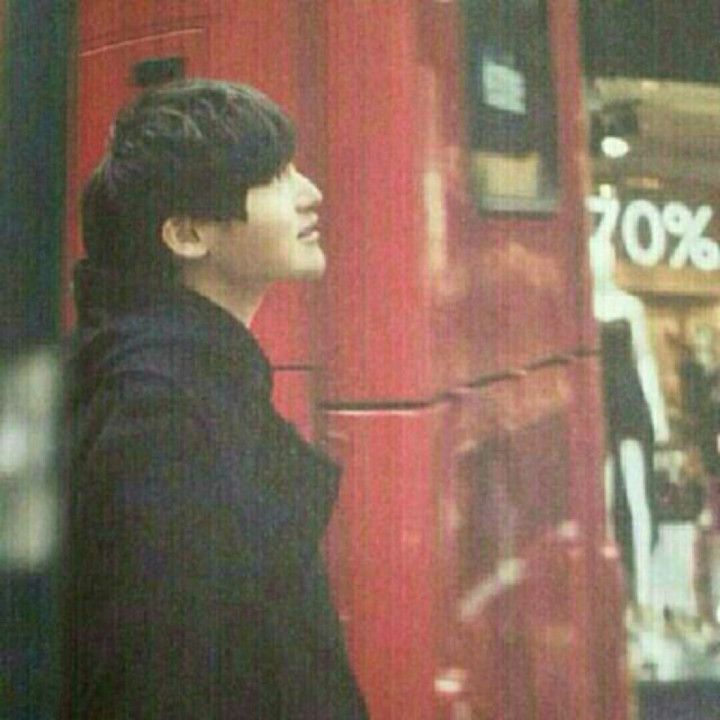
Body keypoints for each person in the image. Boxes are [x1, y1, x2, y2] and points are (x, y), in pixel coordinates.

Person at [61, 79, 368, 719]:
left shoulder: (176, 381)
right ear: (186, 234)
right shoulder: (159, 418)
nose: (310, 192)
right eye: (274, 177)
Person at [589, 230, 669, 616]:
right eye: (594, 258)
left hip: (629, 399)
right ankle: (610, 592)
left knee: (639, 497)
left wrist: (658, 411)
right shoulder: (584, 309)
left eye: (605, 257)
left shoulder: (630, 306)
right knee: (602, 501)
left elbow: (644, 359)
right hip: (599, 403)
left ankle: (646, 593)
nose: (600, 264)